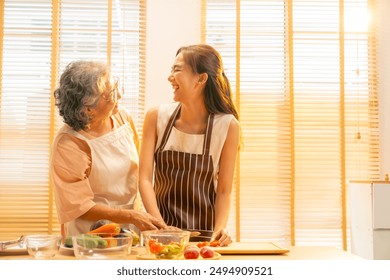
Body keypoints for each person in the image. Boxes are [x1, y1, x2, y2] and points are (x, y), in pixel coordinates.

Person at [139, 44, 240, 246]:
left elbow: (224, 190)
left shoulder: (227, 126)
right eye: (171, 69)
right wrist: (161, 228)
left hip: (203, 237)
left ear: (201, 79)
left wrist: (219, 229)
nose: (170, 76)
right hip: (160, 235)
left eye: (177, 69)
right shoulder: (156, 117)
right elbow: (144, 179)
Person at [51, 60, 165, 237]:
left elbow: (141, 171)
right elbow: (78, 205)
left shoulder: (122, 118)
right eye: (111, 93)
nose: (119, 95)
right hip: (90, 233)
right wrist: (130, 216)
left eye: (116, 86)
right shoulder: (69, 143)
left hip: (130, 225)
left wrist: (141, 216)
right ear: (89, 110)